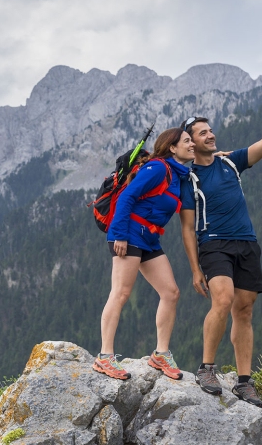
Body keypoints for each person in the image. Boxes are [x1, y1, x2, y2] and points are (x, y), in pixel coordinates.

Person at [178, 93, 262, 408]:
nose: (210, 135)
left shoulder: (229, 161)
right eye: (202, 133)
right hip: (213, 244)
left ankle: (243, 382)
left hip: (247, 243)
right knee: (222, 299)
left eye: (210, 130)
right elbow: (186, 227)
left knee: (245, 310)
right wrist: (196, 269)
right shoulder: (188, 178)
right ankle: (207, 368)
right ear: (191, 143)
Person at [94, 128, 194, 381]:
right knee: (121, 293)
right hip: (128, 233)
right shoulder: (158, 168)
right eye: (187, 141)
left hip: (149, 238)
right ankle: (105, 357)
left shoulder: (178, 174)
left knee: (171, 292)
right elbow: (128, 195)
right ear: (172, 147)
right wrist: (118, 234)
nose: (192, 144)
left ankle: (161, 354)